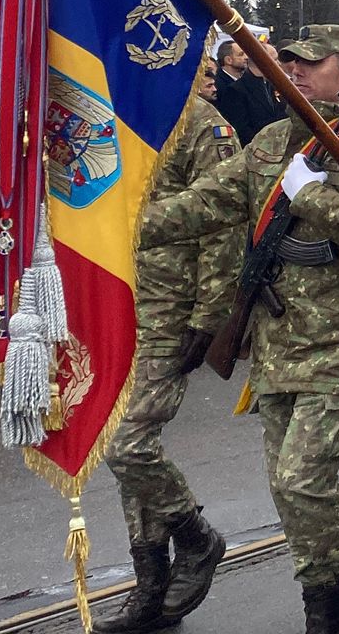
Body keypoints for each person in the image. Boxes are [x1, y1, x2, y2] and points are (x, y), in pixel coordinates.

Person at [142, 26, 339, 634]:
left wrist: (315, 199)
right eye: (290, 62)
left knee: (303, 478)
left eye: (310, 64)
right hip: (277, 335)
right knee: (284, 485)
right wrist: (122, 225)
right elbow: (206, 202)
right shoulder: (270, 140)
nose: (295, 72)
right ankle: (322, 604)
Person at [95, 67, 242, 633]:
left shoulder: (204, 125)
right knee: (124, 441)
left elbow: (224, 222)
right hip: (116, 300)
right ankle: (151, 585)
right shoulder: (116, 117)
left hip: (170, 305)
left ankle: (196, 537)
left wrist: (208, 315)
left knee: (127, 444)